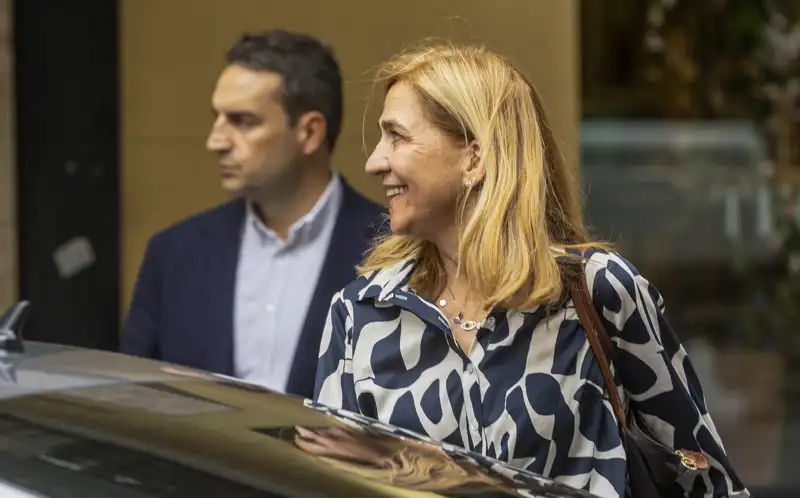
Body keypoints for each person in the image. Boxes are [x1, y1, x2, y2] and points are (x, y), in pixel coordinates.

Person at [313, 43, 748, 498]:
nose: (374, 161)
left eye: (397, 136)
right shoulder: (362, 313)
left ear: (474, 159)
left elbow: (706, 480)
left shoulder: (596, 290)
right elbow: (328, 486)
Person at [121, 30, 384, 398]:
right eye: (217, 118)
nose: (216, 141)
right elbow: (132, 400)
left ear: (309, 132)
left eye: (242, 121)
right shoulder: (174, 254)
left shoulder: (394, 252)